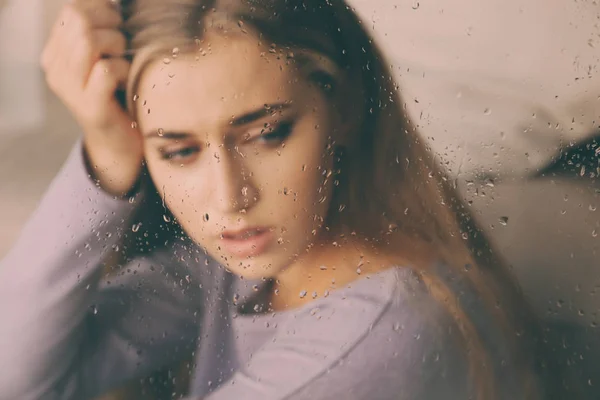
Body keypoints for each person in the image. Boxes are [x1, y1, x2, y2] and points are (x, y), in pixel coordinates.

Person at [0, 0, 562, 399]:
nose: (230, 198)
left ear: (343, 106)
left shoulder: (388, 333)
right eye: (178, 151)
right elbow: (15, 376)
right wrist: (104, 160)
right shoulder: (247, 267)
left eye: (267, 133)